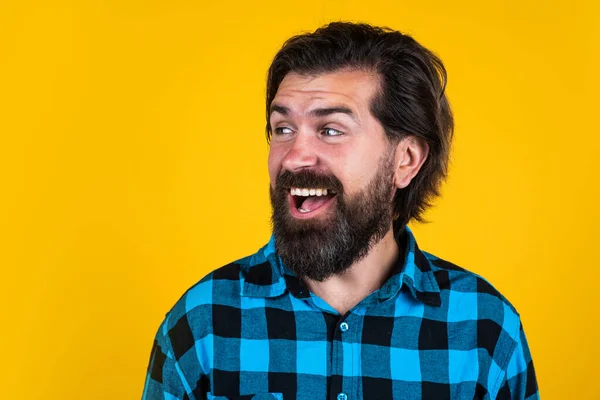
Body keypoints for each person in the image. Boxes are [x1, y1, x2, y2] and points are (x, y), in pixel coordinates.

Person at [142, 22, 539, 400]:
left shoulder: (485, 329)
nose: (294, 156)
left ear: (406, 160)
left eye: (330, 130)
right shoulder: (202, 323)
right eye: (283, 129)